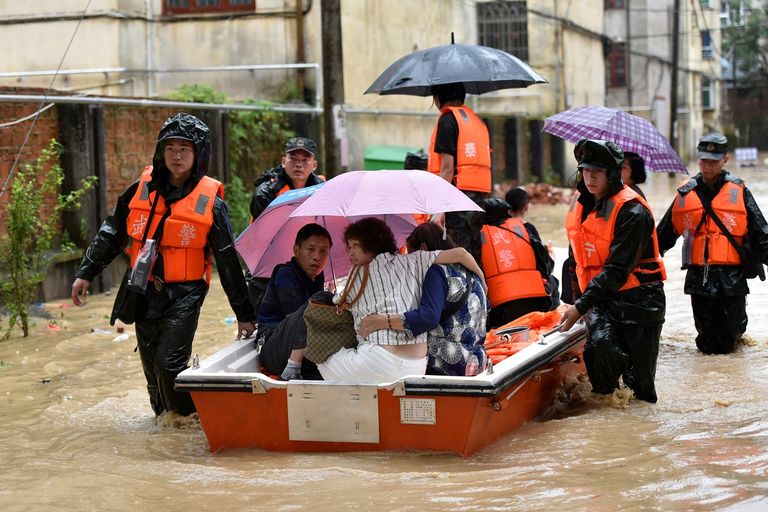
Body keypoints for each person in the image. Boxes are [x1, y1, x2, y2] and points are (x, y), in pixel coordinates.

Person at [71, 112, 256, 417]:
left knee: (167, 364)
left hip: (186, 293)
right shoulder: (140, 189)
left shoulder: (212, 202)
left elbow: (227, 260)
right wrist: (85, 273)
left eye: (185, 148)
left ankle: (189, 421)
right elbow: (112, 233)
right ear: (161, 152)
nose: (177, 155)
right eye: (170, 148)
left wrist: (244, 314)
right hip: (143, 289)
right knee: (152, 373)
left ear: (198, 154)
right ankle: (165, 427)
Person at [557, 139, 666, 403]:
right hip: (602, 299)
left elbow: (617, 270)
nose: (590, 177)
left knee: (639, 386)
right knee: (599, 349)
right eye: (585, 170)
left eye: (598, 172)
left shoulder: (633, 211)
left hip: (639, 301)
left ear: (613, 174)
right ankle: (607, 420)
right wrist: (573, 300)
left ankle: (638, 431)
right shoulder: (581, 203)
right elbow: (575, 257)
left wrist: (581, 305)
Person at [316, 217, 486, 382]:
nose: (350, 252)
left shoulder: (358, 272)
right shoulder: (416, 261)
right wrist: (483, 281)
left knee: (321, 357)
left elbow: (339, 301)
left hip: (383, 362)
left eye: (355, 245)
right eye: (349, 246)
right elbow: (461, 253)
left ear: (370, 244)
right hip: (419, 365)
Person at [656, 133, 768, 354]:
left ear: (725, 160)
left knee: (732, 334)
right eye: (703, 160)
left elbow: (761, 234)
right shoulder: (685, 194)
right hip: (699, 279)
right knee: (707, 342)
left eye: (713, 161)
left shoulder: (740, 192)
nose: (707, 165)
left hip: (731, 279)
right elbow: (662, 237)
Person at [359, 222, 489, 376]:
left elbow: (428, 317)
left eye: (411, 252)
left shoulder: (437, 272)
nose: (410, 259)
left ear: (423, 248)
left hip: (446, 366)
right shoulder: (472, 273)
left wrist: (381, 321)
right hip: (477, 361)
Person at [246, 136, 324, 314]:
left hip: (307, 267)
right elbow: (265, 237)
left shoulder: (323, 190)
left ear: (314, 165)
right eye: (293, 159)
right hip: (267, 272)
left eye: (305, 160)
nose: (299, 164)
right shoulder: (265, 193)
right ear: (283, 161)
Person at [256, 223, 331, 381]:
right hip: (273, 348)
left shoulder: (318, 276)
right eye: (311, 249)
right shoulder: (286, 274)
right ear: (296, 250)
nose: (317, 256)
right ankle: (292, 368)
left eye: (323, 251)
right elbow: (301, 317)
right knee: (322, 300)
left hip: (300, 345)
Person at [427, 82, 491, 265]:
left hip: (457, 202)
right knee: (474, 256)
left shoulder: (448, 120)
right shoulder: (477, 122)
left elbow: (447, 168)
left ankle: (464, 293)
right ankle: (479, 292)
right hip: (477, 202)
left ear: (439, 97)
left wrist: (439, 210)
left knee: (458, 257)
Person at [480, 191, 559, 329]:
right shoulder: (524, 230)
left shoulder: (477, 239)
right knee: (553, 280)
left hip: (500, 311)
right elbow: (546, 266)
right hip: (537, 303)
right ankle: (552, 322)